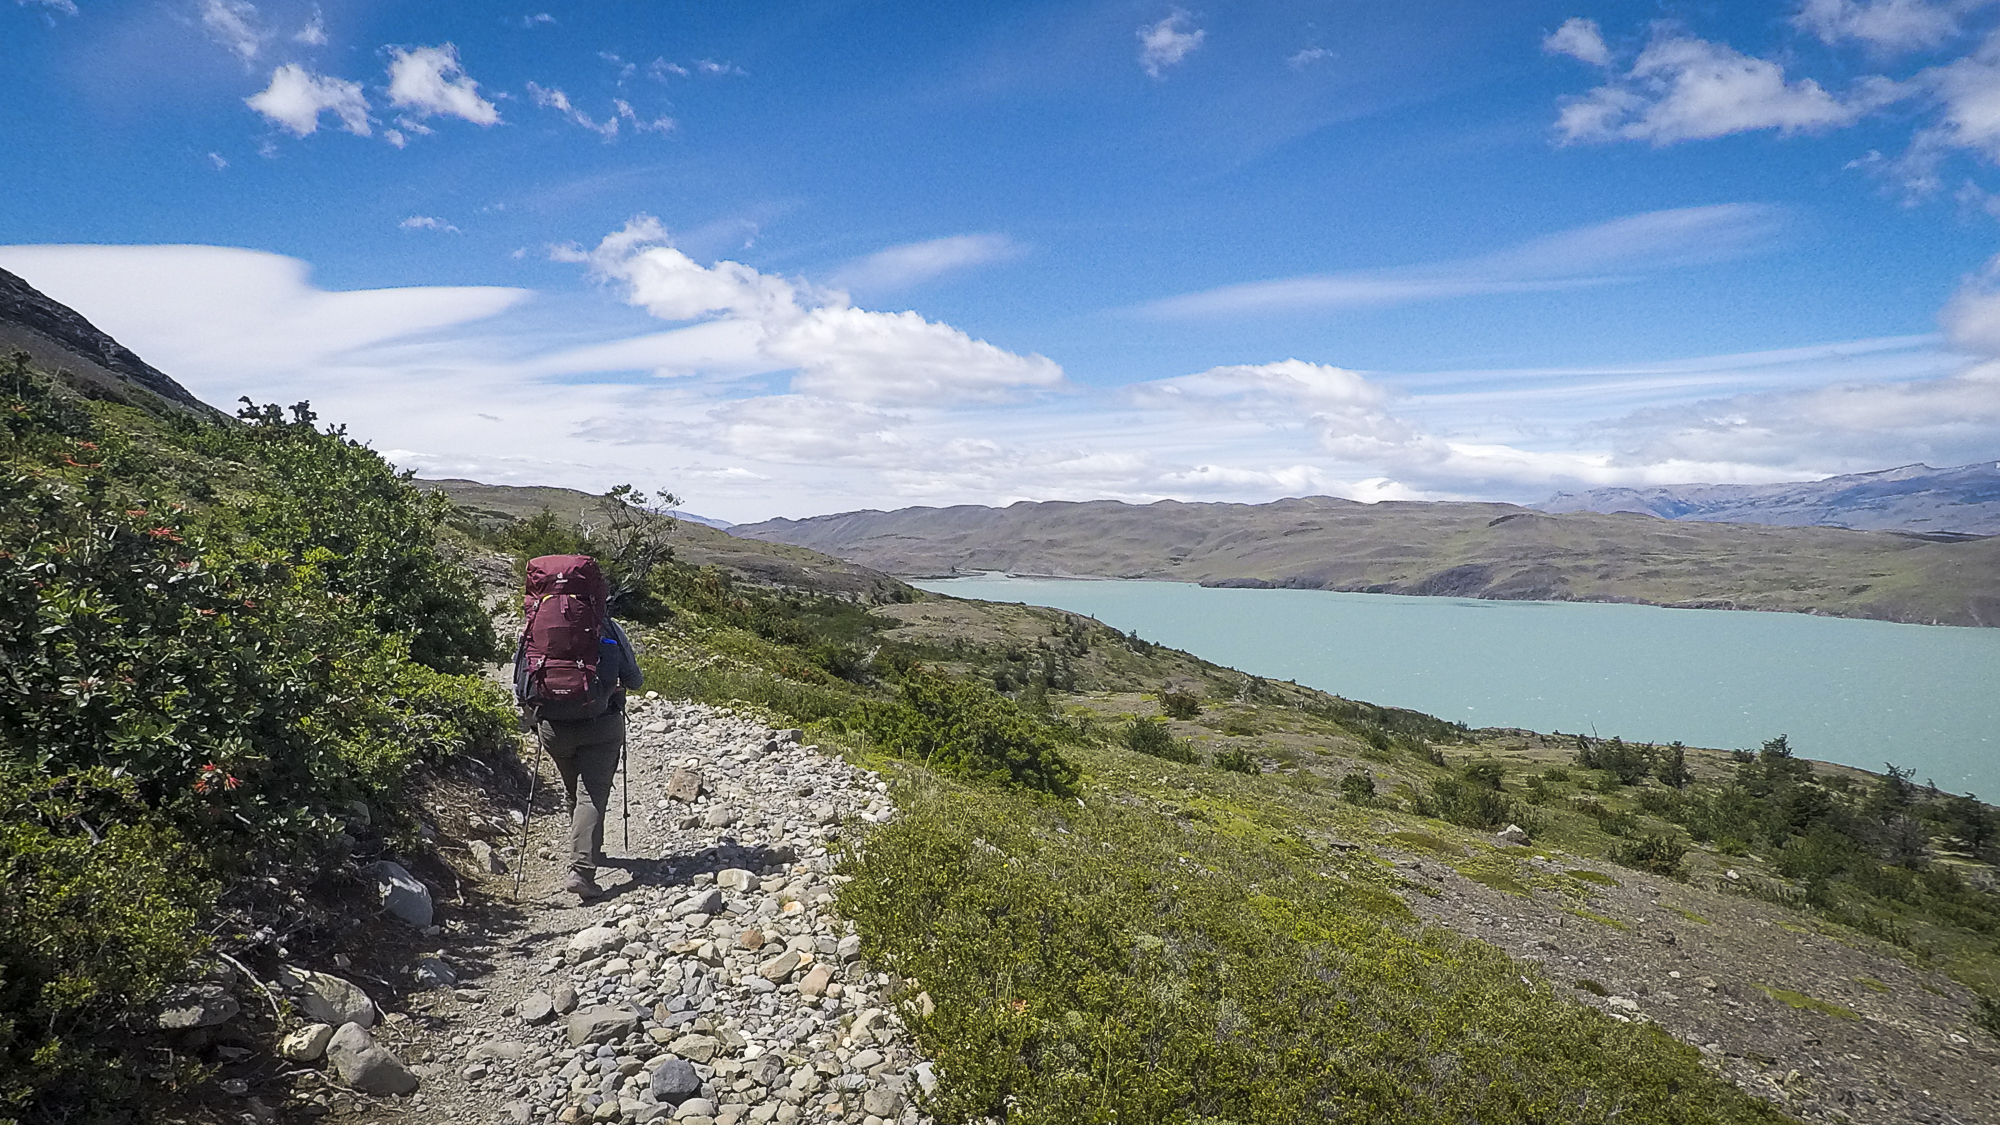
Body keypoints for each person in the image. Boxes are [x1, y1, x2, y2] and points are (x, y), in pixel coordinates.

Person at [514, 562, 644, 901]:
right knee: (593, 795)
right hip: (601, 725)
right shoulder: (606, 626)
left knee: (576, 790)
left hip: (554, 728)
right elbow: (634, 679)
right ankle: (581, 870)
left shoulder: (534, 626)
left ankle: (586, 848)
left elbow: (520, 683)